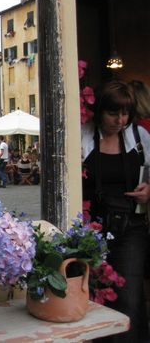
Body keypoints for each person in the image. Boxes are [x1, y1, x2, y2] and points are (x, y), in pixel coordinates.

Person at [81, 80, 150, 342]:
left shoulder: (138, 137)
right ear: (99, 111)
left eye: (125, 114)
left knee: (129, 296)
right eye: (113, 113)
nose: (120, 120)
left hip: (130, 227)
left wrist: (148, 190)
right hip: (92, 229)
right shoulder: (84, 135)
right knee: (94, 296)